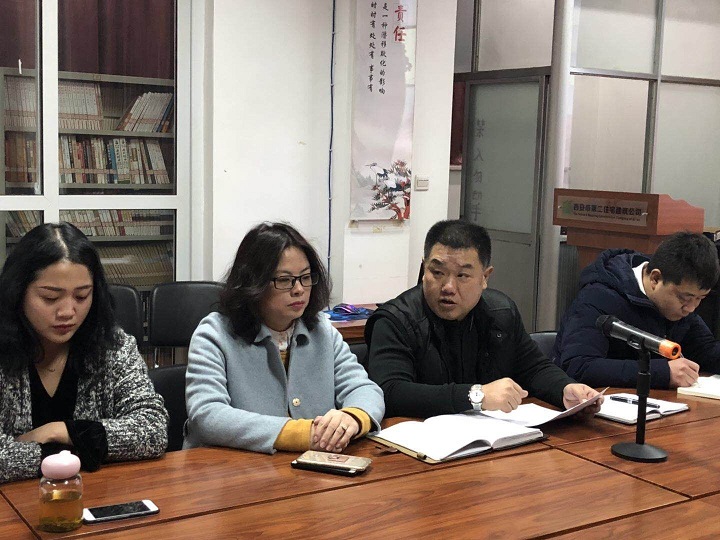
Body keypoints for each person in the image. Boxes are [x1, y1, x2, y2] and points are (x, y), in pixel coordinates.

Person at [365, 219, 602, 418]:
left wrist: (565, 388)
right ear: (423, 269)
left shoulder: (501, 312)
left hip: (488, 440)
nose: (448, 287)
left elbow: (533, 368)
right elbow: (390, 392)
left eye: (462, 275)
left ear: (485, 278)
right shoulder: (395, 320)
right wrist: (476, 395)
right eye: (437, 272)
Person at [184, 222, 384, 454]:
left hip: (314, 465)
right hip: (234, 467)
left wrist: (353, 417)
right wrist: (302, 434)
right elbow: (207, 415)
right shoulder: (214, 334)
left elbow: (364, 389)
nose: (299, 289)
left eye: (305, 277)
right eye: (284, 280)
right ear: (254, 283)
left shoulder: (321, 330)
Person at [0, 222, 168, 484]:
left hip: (94, 494)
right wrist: (80, 449)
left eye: (81, 296)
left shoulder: (113, 346)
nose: (68, 312)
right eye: (50, 297)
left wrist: (62, 431)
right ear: (18, 292)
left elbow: (153, 429)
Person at [552, 231, 720, 389]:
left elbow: (706, 352)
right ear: (655, 279)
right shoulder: (599, 296)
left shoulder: (681, 303)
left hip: (657, 402)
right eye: (685, 298)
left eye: (700, 298)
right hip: (593, 402)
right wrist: (662, 373)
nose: (691, 308)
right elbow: (579, 366)